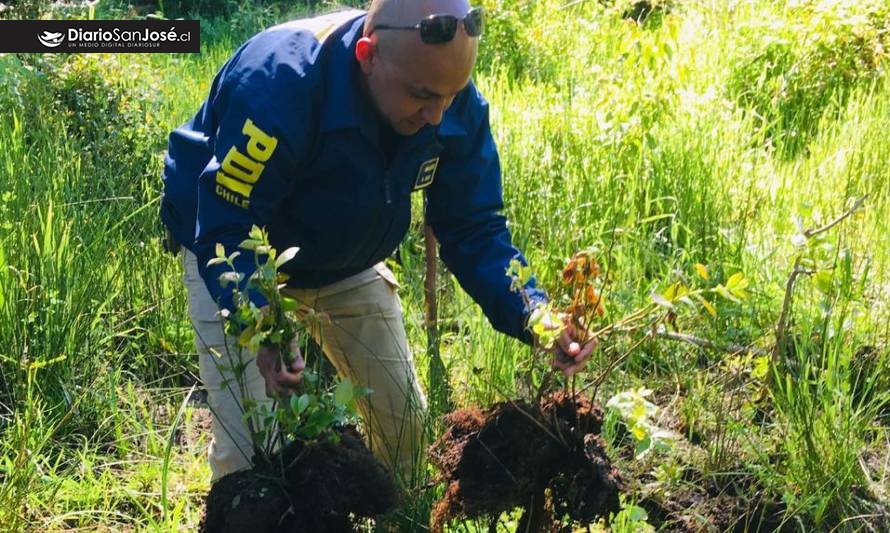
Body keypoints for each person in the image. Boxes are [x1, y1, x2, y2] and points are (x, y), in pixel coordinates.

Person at [160, 0, 595, 485]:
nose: (436, 117)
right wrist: (260, 322)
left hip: (346, 258)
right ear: (368, 55)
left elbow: (474, 227)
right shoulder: (281, 84)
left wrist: (535, 314)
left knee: (404, 428)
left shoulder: (451, 99)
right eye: (422, 96)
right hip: (235, 254)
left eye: (450, 96)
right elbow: (228, 219)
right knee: (254, 454)